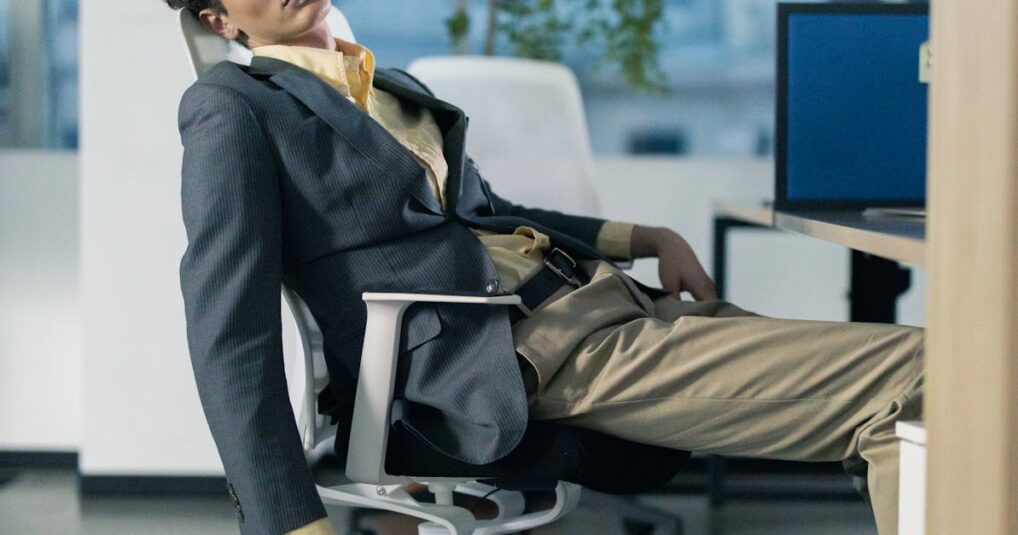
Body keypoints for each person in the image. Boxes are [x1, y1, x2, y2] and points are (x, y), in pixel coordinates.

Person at [167, 1, 925, 534]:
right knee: (920, 371)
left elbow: (486, 211)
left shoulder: (393, 89)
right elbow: (227, 327)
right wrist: (287, 515)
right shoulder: (232, 107)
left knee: (917, 416)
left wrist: (643, 235)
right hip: (522, 351)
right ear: (221, 21)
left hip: (604, 301)